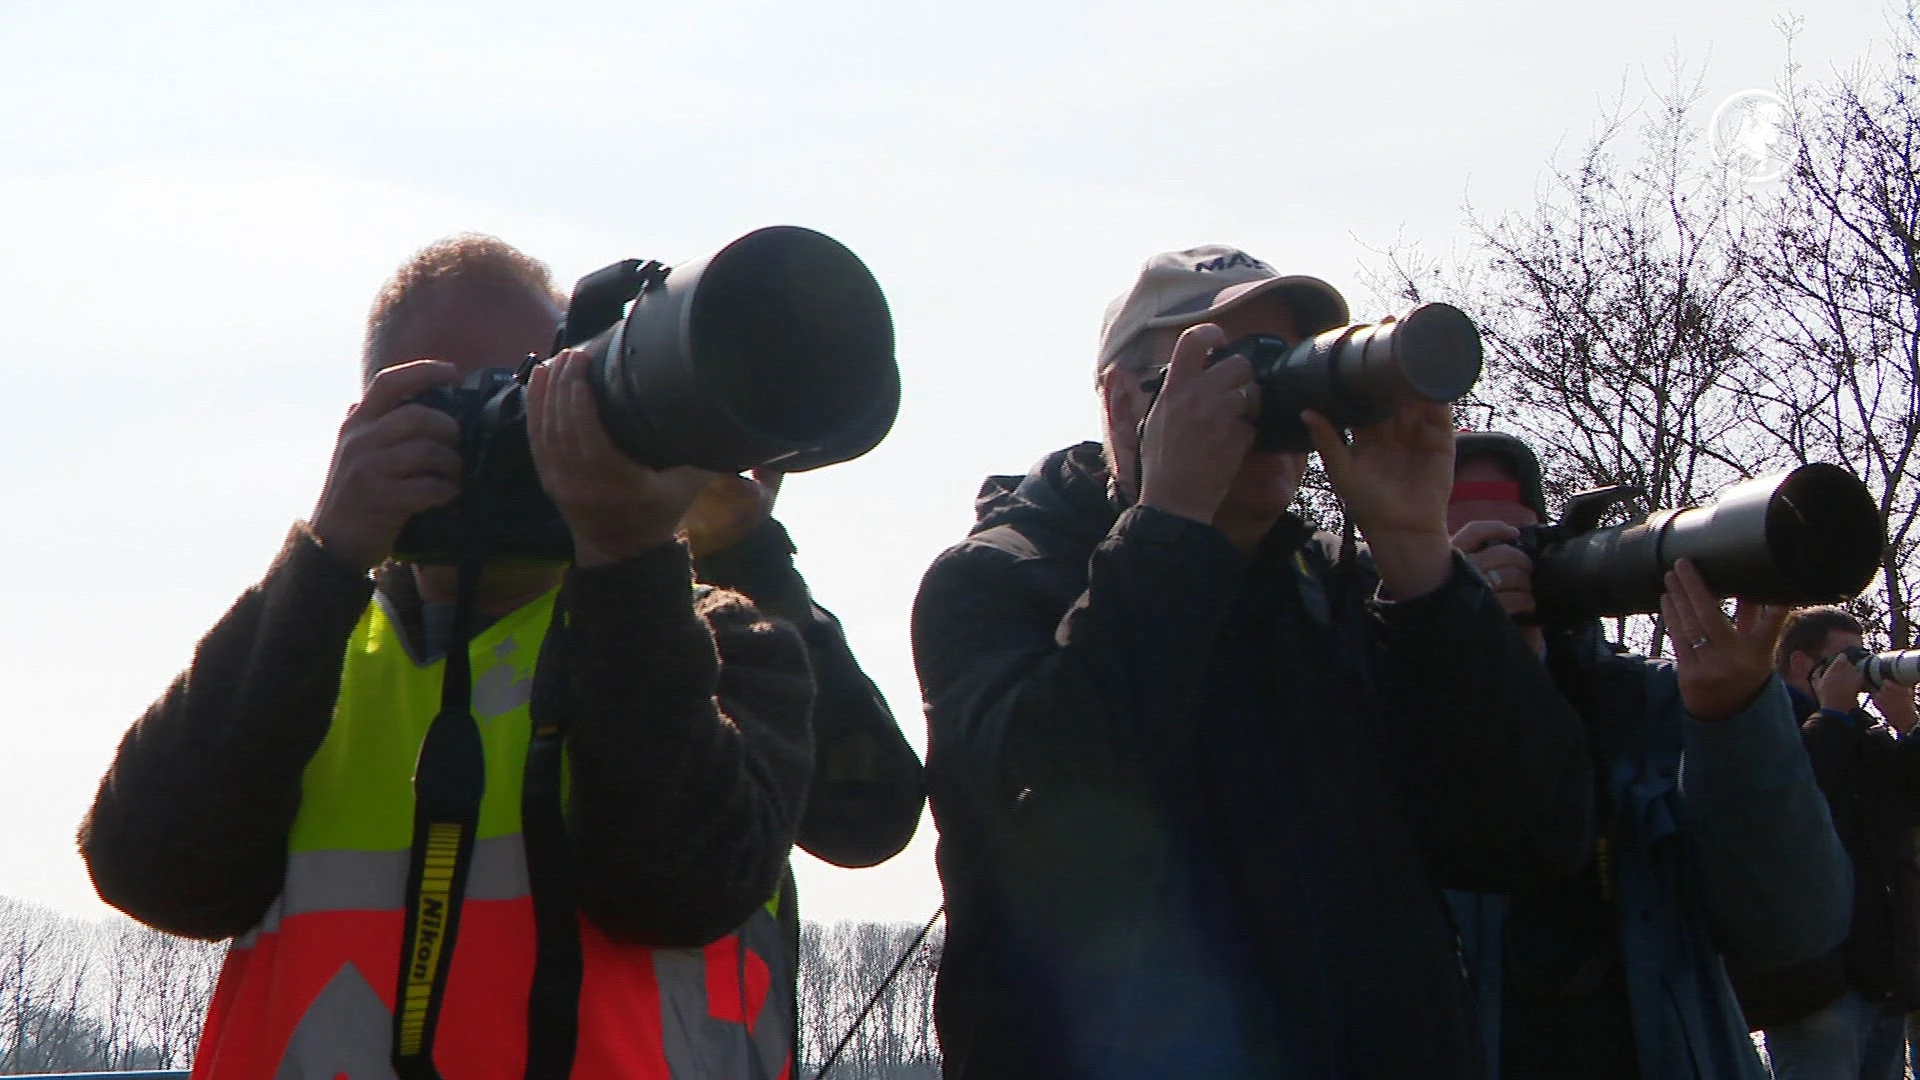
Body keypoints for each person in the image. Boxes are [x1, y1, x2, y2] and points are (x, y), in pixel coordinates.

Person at [79, 234, 919, 1079]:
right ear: (367, 424)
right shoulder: (306, 648)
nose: (522, 426)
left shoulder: (718, 640)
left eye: (548, 387)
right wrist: (328, 555)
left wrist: (637, 557)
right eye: (461, 400)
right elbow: (153, 875)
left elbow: (678, 887)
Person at [911, 245, 1594, 1079]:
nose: (1268, 398)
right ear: (1125, 402)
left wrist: (1422, 563)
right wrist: (1173, 525)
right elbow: (1055, 808)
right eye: (1227, 366)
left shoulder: (1347, 591)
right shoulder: (998, 582)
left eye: (1290, 368)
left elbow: (1533, 838)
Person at [1442, 432, 1852, 1080]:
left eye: (1518, 549)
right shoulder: (1366, 703)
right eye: (1470, 555)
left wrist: (1737, 715)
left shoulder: (1657, 703)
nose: (1503, 578)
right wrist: (1452, 657)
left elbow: (1795, 931)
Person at [1761, 606, 1920, 1080]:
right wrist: (1830, 713)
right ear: (1798, 663)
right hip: (1816, 982)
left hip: (1879, 974)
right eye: (1843, 658)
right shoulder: (1763, 724)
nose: (1857, 669)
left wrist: (1909, 727)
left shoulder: (1863, 737)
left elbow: (1910, 807)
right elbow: (1792, 803)